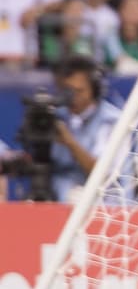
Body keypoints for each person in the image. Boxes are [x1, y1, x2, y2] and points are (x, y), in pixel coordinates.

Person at [50, 55, 123, 203]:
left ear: (94, 90)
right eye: (68, 91)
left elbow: (102, 173)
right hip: (61, 197)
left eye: (79, 91)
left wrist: (70, 142)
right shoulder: (56, 116)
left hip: (106, 203)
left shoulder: (111, 120)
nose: (73, 98)